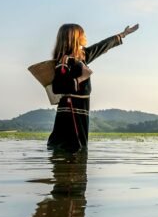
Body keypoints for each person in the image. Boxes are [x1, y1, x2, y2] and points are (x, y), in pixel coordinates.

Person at [47, 23, 139, 152]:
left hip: (81, 108)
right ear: (74, 37)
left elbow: (101, 46)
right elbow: (58, 86)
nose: (85, 36)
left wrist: (124, 34)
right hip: (71, 110)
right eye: (82, 33)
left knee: (79, 147)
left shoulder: (82, 57)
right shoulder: (65, 60)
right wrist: (82, 77)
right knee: (73, 147)